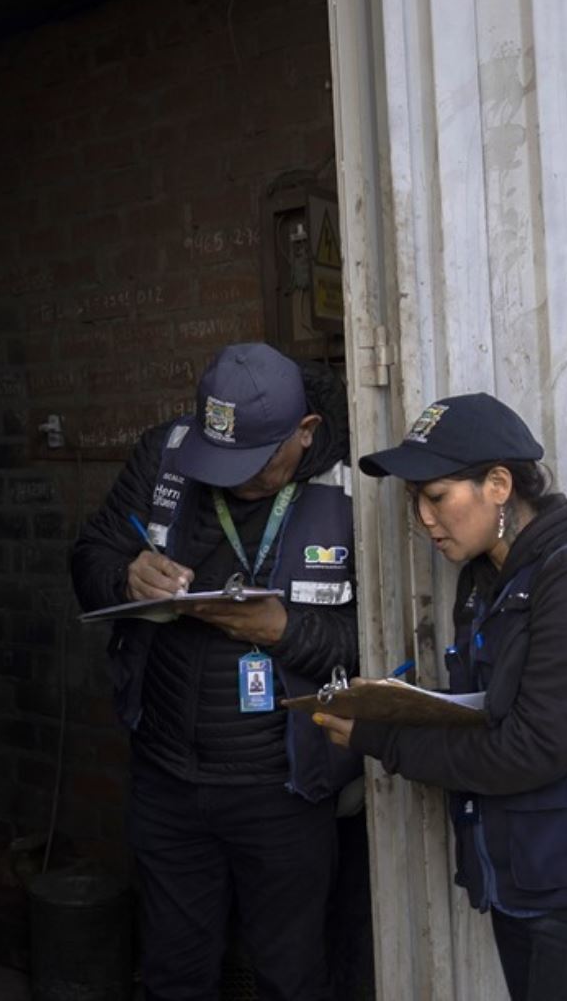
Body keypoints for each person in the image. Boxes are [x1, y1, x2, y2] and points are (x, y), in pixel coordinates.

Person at [319, 393, 567, 1001]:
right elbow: (492, 712)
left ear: (498, 484)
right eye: (414, 501)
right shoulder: (491, 582)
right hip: (531, 889)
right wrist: (390, 703)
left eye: (437, 497)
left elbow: (533, 748)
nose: (424, 519)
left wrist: (383, 738)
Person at [71, 343, 360, 1001]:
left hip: (287, 788)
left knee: (291, 975)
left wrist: (288, 632)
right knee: (173, 972)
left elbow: (383, 643)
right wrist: (125, 573)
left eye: (253, 466)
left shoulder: (350, 488)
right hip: (169, 778)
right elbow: (91, 555)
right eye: (220, 461)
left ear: (305, 431)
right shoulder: (167, 454)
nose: (233, 480)